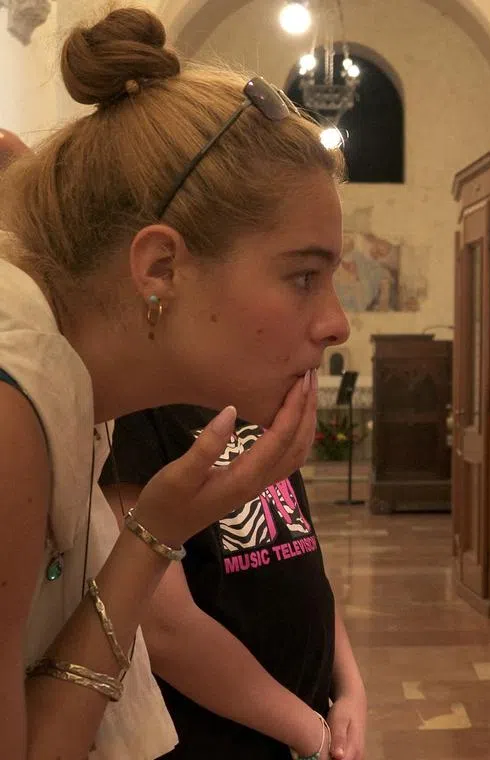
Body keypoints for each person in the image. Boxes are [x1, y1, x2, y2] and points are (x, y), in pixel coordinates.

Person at [0, 7, 349, 759]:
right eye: (303, 276)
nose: (336, 323)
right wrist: (156, 533)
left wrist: (159, 526)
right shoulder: (10, 406)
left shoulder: (72, 398)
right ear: (161, 267)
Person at [101, 406, 366, 759]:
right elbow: (162, 628)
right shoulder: (138, 422)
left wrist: (350, 688)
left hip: (304, 728)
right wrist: (309, 731)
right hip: (215, 737)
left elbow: (304, 560)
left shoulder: (255, 408)